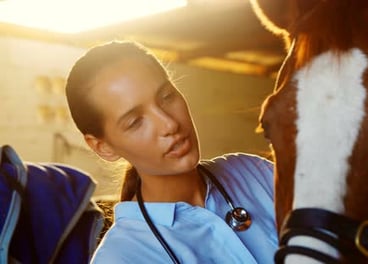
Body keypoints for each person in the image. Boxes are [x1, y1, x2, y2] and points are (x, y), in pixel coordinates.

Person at [65, 41, 277, 263]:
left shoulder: (255, 173)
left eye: (166, 97)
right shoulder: (122, 257)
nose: (169, 124)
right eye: (136, 121)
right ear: (103, 147)